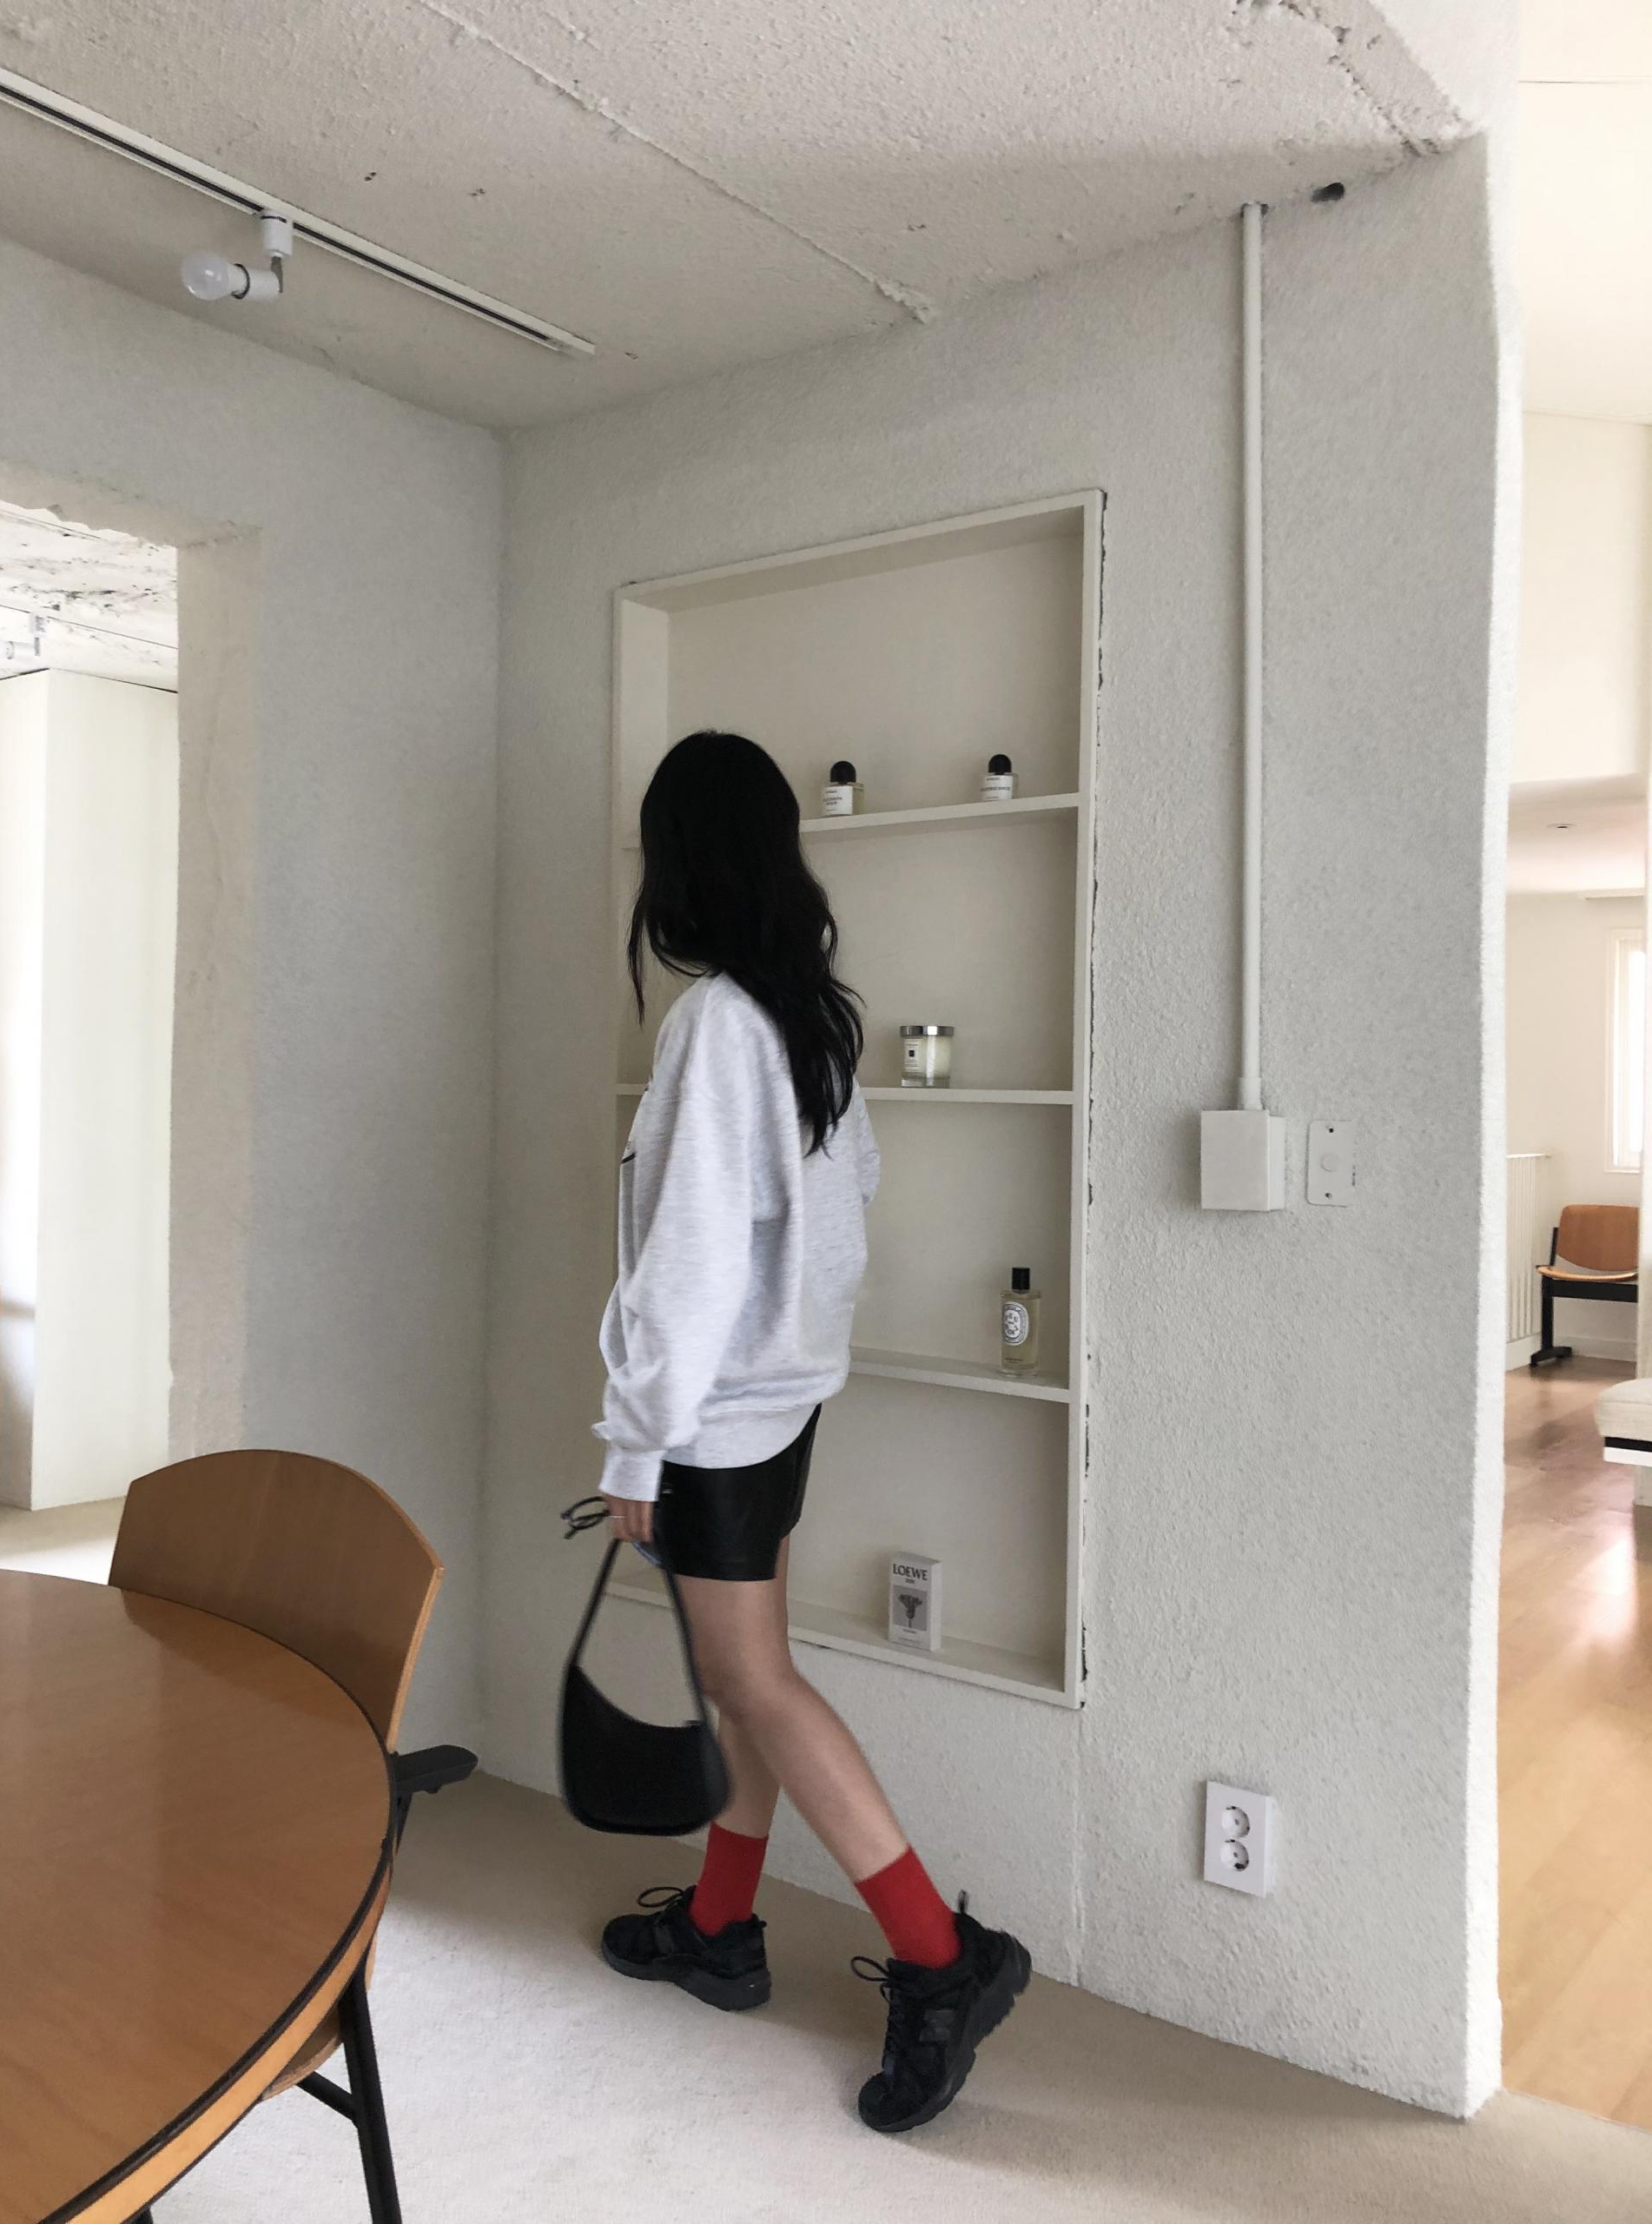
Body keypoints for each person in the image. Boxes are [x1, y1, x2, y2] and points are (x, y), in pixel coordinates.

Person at [593, 729, 1030, 2135]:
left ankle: (940, 1958)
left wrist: (637, 1442)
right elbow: (845, 1207)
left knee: (756, 1684)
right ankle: (722, 1928)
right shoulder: (807, 1015)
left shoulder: (717, 1023)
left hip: (719, 1417)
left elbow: (689, 1263)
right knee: (749, 1682)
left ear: (684, 862)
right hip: (779, 1404)